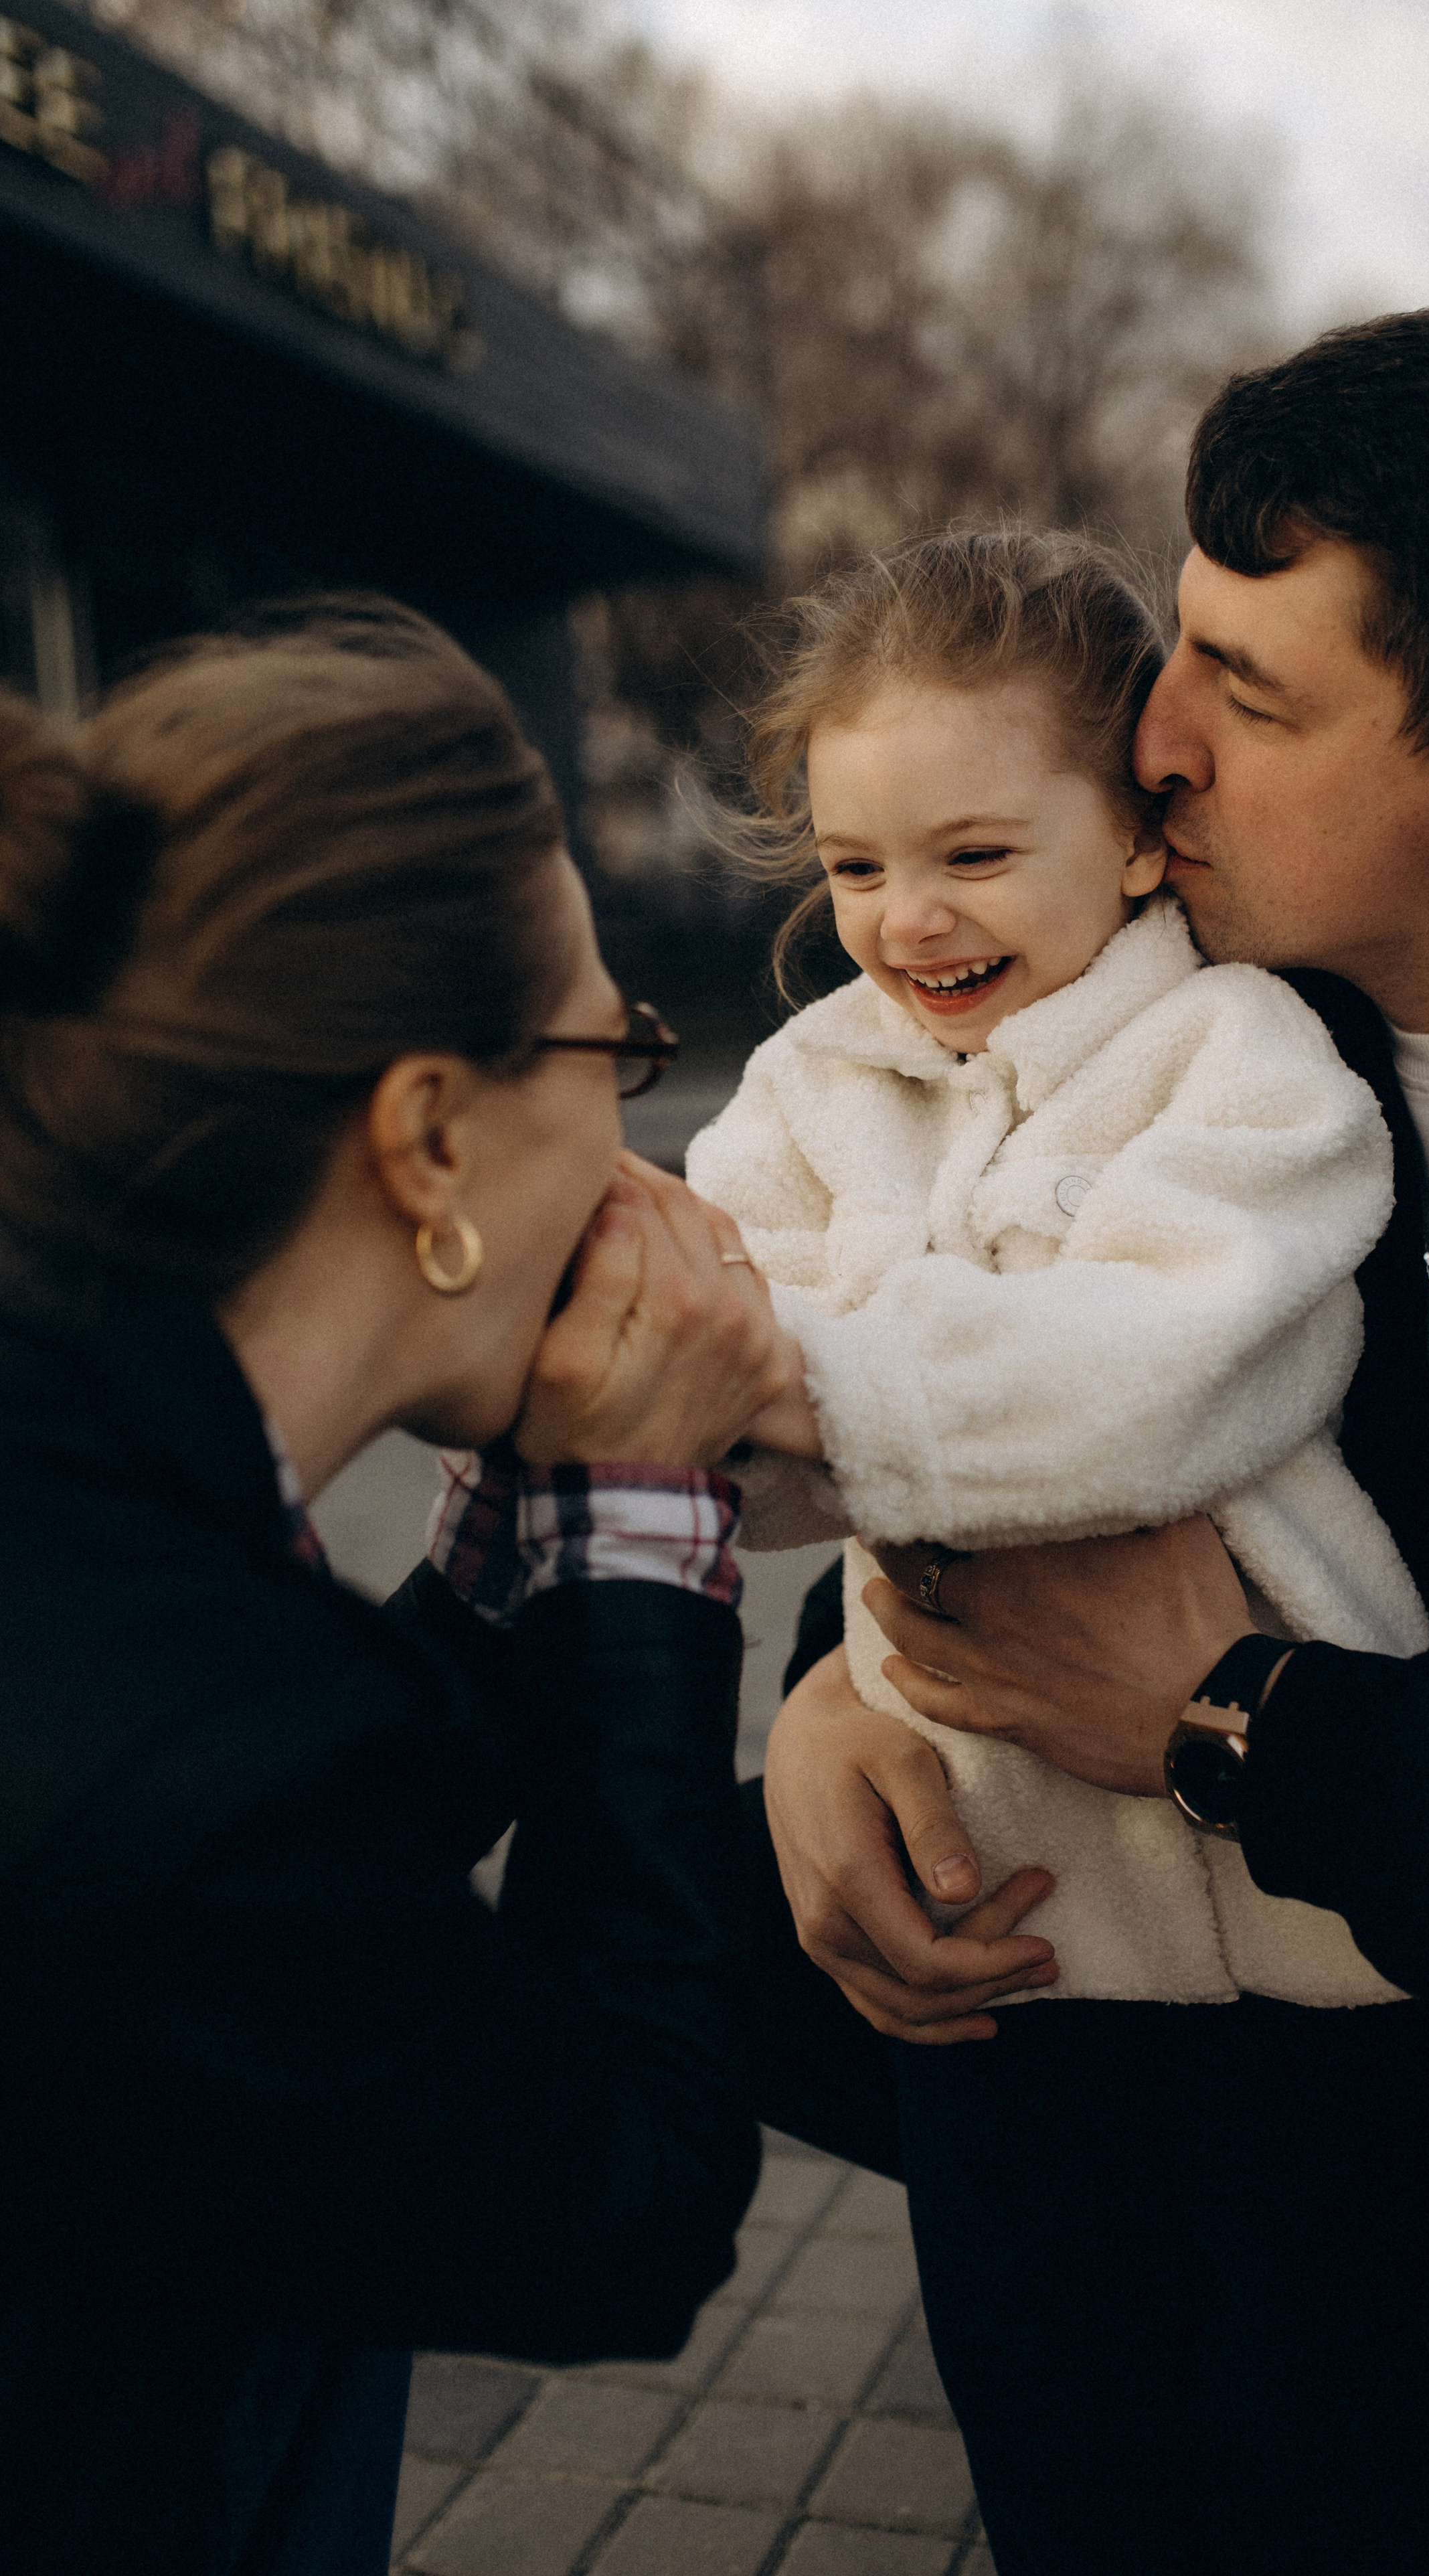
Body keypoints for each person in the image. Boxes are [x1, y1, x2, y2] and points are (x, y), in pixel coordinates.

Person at [750, 301, 1429, 2573]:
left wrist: (1244, 1720)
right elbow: (972, 1321)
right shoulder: (1177, 1001)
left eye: (1247, 694)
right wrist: (831, 1690)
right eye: (1176, 642)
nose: (1150, 739)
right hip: (1179, 2094)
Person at [0, 600, 799, 2575]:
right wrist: (636, 1514)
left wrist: (525, 1543)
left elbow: (315, 1890)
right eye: (615, 1048)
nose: (629, 1128)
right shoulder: (183, 1750)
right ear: (430, 1137)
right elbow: (620, 2206)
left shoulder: (87, 1427)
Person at [687, 527, 1428, 2018]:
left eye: (975, 856)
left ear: (1139, 839)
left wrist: (786, 1379)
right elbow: (724, 1440)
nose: (906, 916)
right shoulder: (809, 1088)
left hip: (1291, 1913)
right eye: (854, 866)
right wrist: (679, 1406)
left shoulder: (1246, 1060)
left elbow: (1165, 1381)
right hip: (978, 1886)